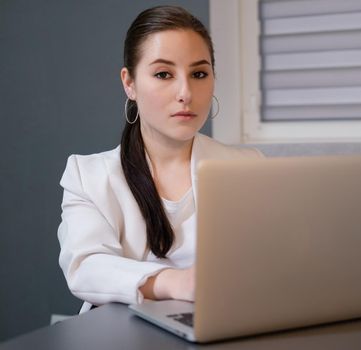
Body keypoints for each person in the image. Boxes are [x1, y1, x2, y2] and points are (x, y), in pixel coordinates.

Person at [57, 5, 263, 313]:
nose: (185, 92)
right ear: (130, 84)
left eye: (199, 74)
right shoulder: (88, 175)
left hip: (227, 325)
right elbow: (85, 267)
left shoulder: (249, 169)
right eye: (163, 74)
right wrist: (173, 282)